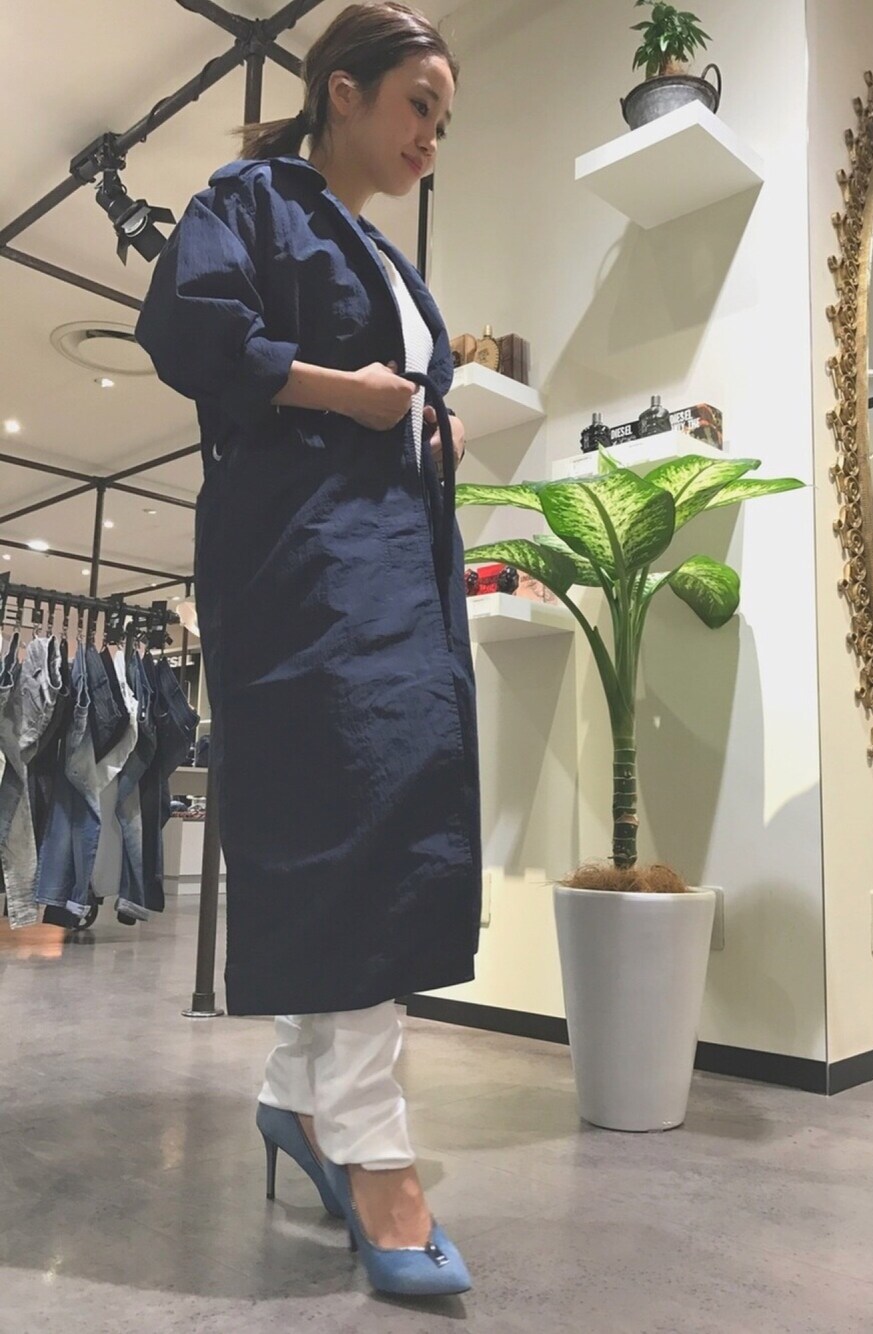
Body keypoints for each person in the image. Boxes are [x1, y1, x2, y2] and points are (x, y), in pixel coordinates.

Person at [135, 1, 481, 1299]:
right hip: (306, 558)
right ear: (343, 89)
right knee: (364, 815)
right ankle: (377, 1150)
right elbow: (190, 332)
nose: (431, 139)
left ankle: (298, 1092)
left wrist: (431, 425)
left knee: (381, 808)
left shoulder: (381, 253)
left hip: (394, 557)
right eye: (418, 107)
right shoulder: (253, 201)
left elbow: (409, 391)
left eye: (443, 121)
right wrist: (350, 393)